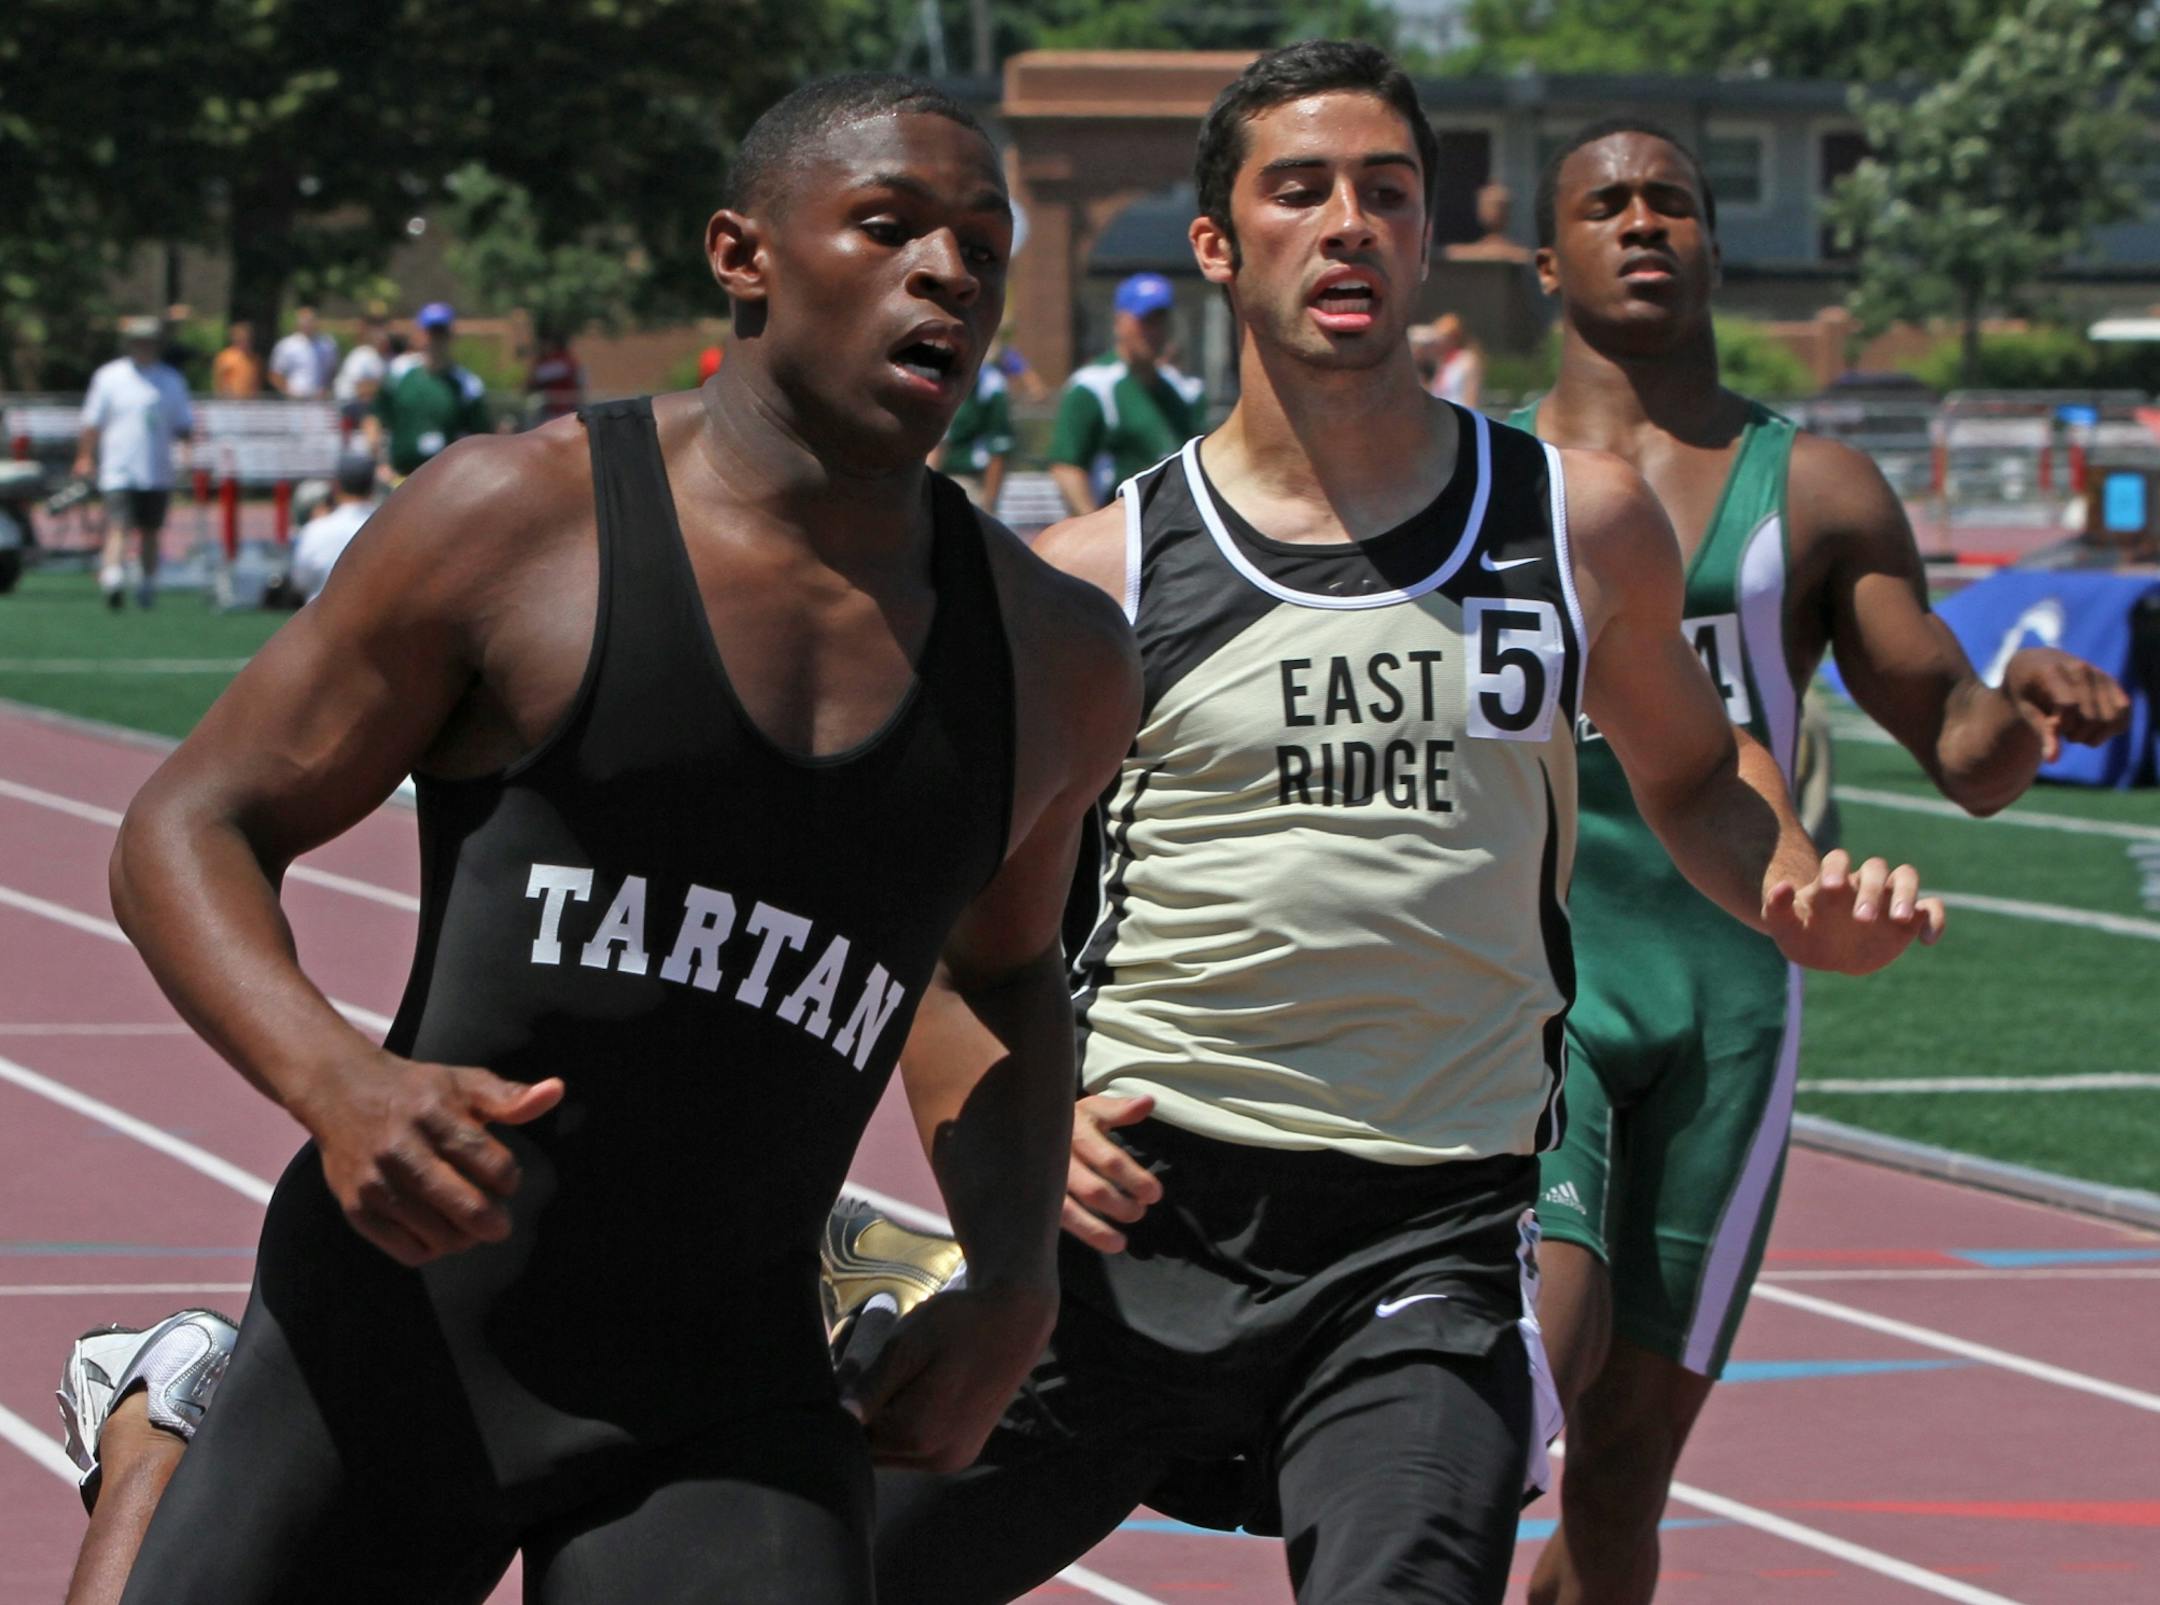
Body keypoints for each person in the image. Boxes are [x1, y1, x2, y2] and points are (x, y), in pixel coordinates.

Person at [854, 45, 1940, 1605]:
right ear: (1218, 247)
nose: (1347, 223)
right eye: (1298, 191)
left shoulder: (1580, 526)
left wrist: (1789, 886)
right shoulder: (1098, 573)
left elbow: (1699, 778)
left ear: (1429, 237)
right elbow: (935, 924)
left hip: (1424, 1242)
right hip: (1136, 1221)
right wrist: (1018, 1118)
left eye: (1387, 191)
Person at [59, 70, 1137, 1605]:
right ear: (742, 254)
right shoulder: (519, 524)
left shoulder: (1053, 656)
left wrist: (1020, 1275)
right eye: (889, 226)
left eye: (981, 241)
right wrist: (338, 1080)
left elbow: (1002, 972)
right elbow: (191, 822)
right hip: (402, 1334)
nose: (947, 272)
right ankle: (166, 1429)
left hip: (729, 1391)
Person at [1511, 120, 2133, 1605]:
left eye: (1673, 203)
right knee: (1539, 1347)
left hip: (1735, 988)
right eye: (1608, 205)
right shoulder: (1484, 480)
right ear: (1549, 261)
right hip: (1533, 976)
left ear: (1717, 246)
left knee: (1624, 1466)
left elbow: (1959, 752)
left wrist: (2028, 713)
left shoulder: (1821, 487)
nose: (1644, 224)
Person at [1046, 271, 1204, 514]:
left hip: (1176, 528)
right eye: (1145, 321)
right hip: (1118, 524)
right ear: (1120, 322)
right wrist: (1092, 525)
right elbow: (1066, 466)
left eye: (1160, 320)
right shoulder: (1093, 386)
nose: (1154, 331)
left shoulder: (1185, 391)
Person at [74, 315, 194, 611]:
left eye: (149, 342)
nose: (144, 347)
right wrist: (85, 456)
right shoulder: (110, 377)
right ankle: (113, 577)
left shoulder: (171, 380)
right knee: (118, 524)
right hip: (119, 466)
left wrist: (188, 458)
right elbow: (92, 423)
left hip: (156, 468)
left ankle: (147, 581)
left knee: (151, 529)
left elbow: (184, 425)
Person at [366, 302, 490, 480]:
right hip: (400, 477)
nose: (435, 339)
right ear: (419, 334)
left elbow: (481, 436)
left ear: (451, 335)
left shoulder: (467, 384)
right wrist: (378, 463)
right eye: (431, 332)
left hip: (447, 481)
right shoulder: (399, 373)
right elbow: (375, 417)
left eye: (441, 333)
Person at [287, 452, 380, 601]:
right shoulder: (383, 526)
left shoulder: (316, 529)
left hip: (323, 617)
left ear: (336, 486)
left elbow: (300, 581)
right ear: (372, 485)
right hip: (375, 618)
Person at [931, 356, 1013, 510]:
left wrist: (989, 504)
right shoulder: (932, 375)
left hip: (967, 479)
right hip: (929, 480)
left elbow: (997, 449)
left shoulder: (990, 384)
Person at [332, 311, 391, 430]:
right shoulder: (361, 354)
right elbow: (361, 390)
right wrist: (379, 387)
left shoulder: (386, 360)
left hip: (369, 406)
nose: (381, 334)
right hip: (350, 406)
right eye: (376, 327)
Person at [268, 305, 339, 399]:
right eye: (304, 321)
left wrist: (326, 389)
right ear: (298, 323)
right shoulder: (286, 345)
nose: (308, 324)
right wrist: (289, 391)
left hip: (319, 400)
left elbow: (333, 370)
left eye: (311, 320)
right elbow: (275, 374)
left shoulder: (327, 344)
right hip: (295, 401)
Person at [525, 326, 587, 425]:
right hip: (553, 412)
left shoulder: (562, 362)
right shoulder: (564, 361)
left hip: (562, 413)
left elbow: (532, 382)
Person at [1425, 311, 1483, 405]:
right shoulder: (1438, 362)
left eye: (1442, 337)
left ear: (1454, 338)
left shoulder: (1467, 361)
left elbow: (1471, 397)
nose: (1437, 341)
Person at [209, 320, 263, 398]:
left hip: (251, 403)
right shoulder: (225, 357)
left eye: (248, 338)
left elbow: (257, 381)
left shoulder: (255, 358)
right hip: (231, 402)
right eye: (241, 338)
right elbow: (219, 380)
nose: (246, 341)